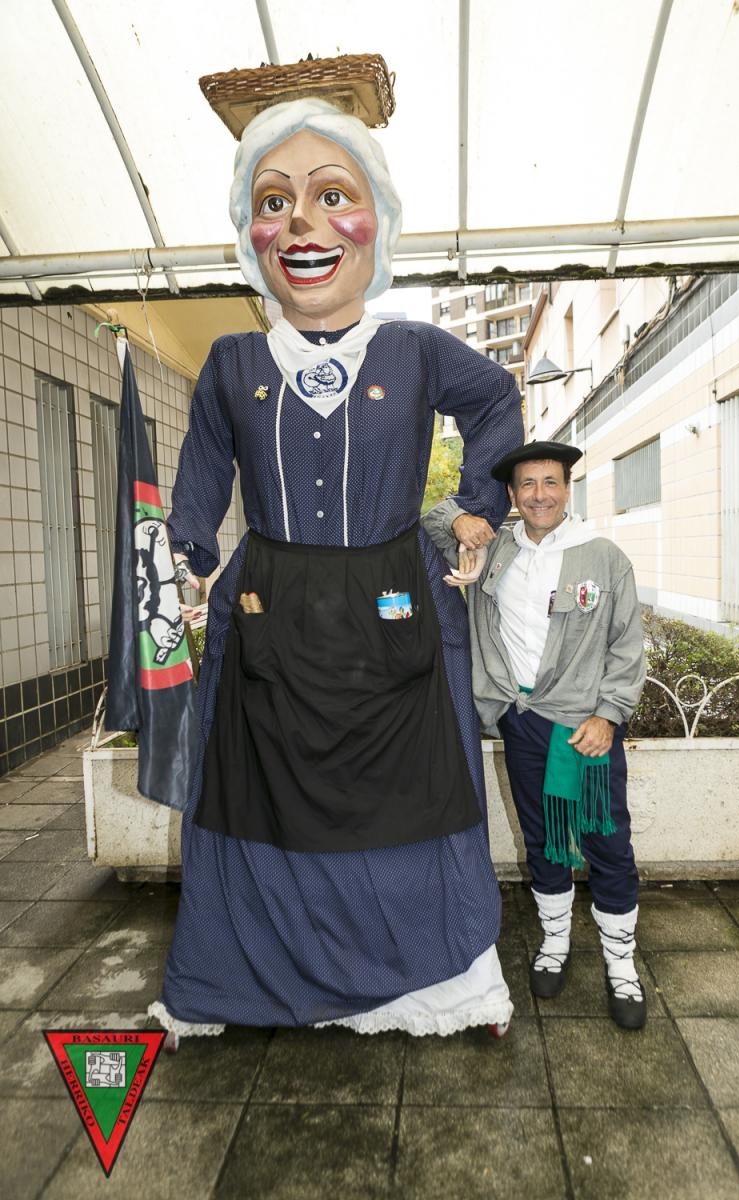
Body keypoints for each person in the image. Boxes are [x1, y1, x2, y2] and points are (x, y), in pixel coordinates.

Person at [146, 97, 524, 1044]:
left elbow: (497, 399)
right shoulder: (231, 363)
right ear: (251, 234)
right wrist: (188, 554)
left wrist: (480, 505)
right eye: (274, 201)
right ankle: (243, 980)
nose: (303, 224)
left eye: (332, 196)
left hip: (393, 608)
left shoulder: (417, 350)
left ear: (377, 222)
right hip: (269, 612)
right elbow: (202, 472)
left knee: (418, 790)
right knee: (252, 792)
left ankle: (441, 984)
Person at [422, 440, 648, 1029]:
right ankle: (555, 941)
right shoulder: (494, 549)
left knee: (604, 840)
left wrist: (609, 714)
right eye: (527, 484)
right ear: (511, 494)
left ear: (567, 489)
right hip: (522, 720)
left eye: (550, 482)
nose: (539, 495)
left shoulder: (603, 557)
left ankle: (621, 963)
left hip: (583, 727)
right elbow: (431, 519)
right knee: (544, 838)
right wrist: (464, 521)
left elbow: (626, 645)